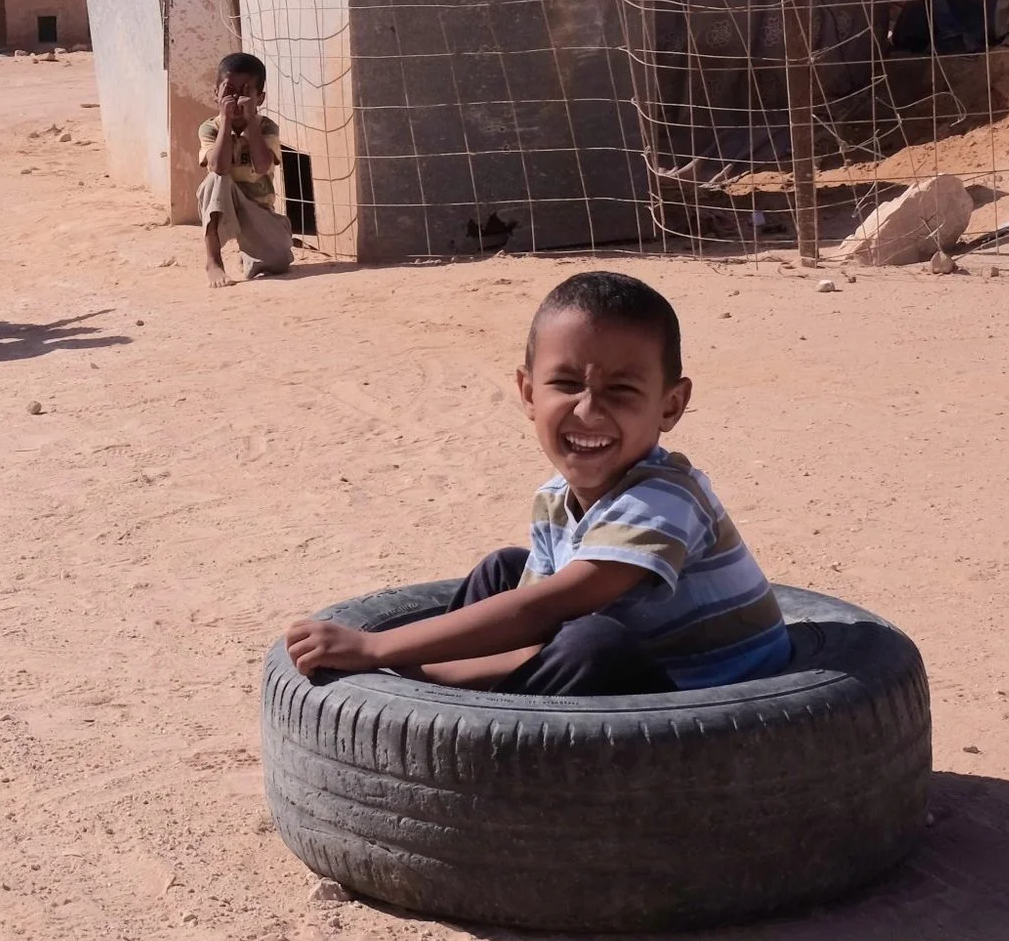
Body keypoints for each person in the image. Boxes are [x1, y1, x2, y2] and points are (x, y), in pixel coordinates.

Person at [282, 272, 792, 696]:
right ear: (528, 392)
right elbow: (531, 636)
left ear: (670, 406)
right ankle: (444, 704)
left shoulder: (666, 498)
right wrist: (419, 668)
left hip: (713, 702)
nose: (589, 410)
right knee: (503, 570)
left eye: (621, 390)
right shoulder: (554, 499)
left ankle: (454, 706)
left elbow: (547, 612)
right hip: (638, 662)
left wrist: (382, 653)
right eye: (566, 384)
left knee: (593, 644)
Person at [198, 52, 293, 287]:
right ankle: (214, 262)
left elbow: (262, 166)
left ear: (259, 98)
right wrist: (226, 121)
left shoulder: (267, 127)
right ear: (216, 94)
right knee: (215, 180)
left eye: (245, 90)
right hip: (223, 201)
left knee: (279, 263)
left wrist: (251, 121)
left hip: (256, 208)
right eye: (229, 90)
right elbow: (218, 166)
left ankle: (250, 255)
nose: (236, 97)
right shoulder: (210, 128)